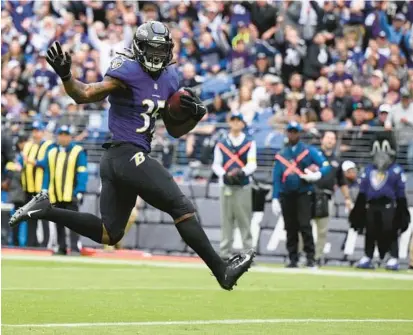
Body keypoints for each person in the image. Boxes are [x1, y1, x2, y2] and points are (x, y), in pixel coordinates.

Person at [9, 21, 254, 291]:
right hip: (126, 153)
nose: (157, 57)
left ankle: (46, 210)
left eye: (162, 51)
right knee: (181, 207)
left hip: (118, 160)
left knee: (109, 233)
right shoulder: (126, 71)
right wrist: (67, 77)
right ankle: (222, 270)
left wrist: (196, 115)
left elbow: (174, 129)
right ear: (139, 48)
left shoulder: (170, 78)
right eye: (152, 50)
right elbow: (84, 94)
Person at [272, 122, 331, 267]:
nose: (292, 135)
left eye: (295, 132)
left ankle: (310, 257)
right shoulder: (282, 154)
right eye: (290, 132)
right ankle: (293, 258)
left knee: (305, 225)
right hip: (286, 194)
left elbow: (325, 165)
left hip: (303, 192)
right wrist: (275, 197)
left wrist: (317, 175)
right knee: (290, 227)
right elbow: (277, 177)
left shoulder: (308, 150)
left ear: (299, 134)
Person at [350, 132, 410, 270]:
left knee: (390, 231)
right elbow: (363, 191)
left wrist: (402, 210)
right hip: (371, 205)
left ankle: (393, 257)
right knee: (370, 231)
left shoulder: (396, 170)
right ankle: (368, 256)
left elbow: (401, 193)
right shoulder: (368, 170)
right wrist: (357, 210)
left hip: (388, 205)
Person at [212, 113, 257, 260]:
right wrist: (224, 174)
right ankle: (225, 253)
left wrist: (241, 172)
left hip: (243, 186)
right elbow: (216, 164)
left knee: (244, 220)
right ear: (230, 123)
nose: (236, 123)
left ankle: (248, 253)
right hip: (226, 185)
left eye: (239, 121)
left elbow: (252, 164)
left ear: (243, 124)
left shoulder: (249, 143)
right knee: (226, 221)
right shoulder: (221, 143)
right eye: (233, 120)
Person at [41, 126, 88, 255]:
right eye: (60, 134)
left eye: (65, 134)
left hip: (71, 193)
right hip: (55, 193)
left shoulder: (78, 151)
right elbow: (47, 173)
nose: (63, 137)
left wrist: (80, 190)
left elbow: (82, 172)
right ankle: (61, 247)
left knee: (74, 222)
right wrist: (44, 189)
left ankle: (74, 247)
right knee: (58, 222)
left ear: (70, 136)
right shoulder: (51, 152)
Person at [312, 131, 352, 265]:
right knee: (305, 227)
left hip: (327, 196)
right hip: (310, 194)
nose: (330, 140)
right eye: (327, 137)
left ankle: (317, 257)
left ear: (335, 142)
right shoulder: (313, 156)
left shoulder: (336, 161)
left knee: (322, 229)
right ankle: (303, 255)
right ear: (322, 140)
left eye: (332, 138)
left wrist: (347, 198)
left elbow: (342, 182)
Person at [20, 121, 54, 247]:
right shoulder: (28, 145)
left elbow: (47, 163)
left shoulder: (48, 146)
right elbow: (21, 161)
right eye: (34, 131)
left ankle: (45, 243)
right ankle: (31, 243)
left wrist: (33, 162)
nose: (35, 133)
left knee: (44, 217)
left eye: (38, 131)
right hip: (29, 188)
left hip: (42, 188)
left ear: (43, 132)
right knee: (29, 217)